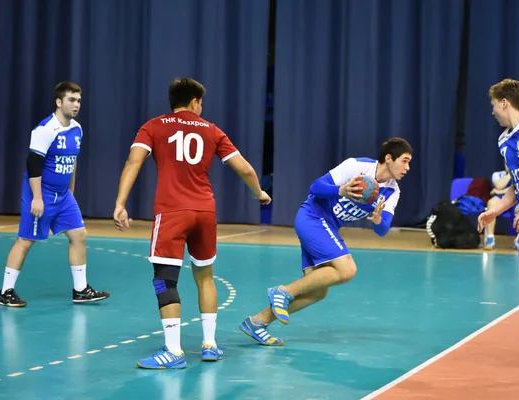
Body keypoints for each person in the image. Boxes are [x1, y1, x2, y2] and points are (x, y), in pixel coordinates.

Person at [113, 77, 271, 369]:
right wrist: (259, 193)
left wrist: (120, 204)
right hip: (205, 212)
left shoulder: (153, 126)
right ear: (195, 102)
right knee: (205, 276)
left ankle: (173, 351)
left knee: (165, 279)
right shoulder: (212, 130)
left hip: (172, 212)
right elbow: (246, 169)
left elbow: (133, 162)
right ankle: (209, 345)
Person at [240, 138, 413, 346]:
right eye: (404, 161)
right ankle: (282, 292)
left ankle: (257, 322)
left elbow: (383, 229)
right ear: (388, 158)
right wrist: (341, 190)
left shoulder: (393, 191)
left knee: (317, 292)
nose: (407, 167)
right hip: (312, 216)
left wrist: (377, 220)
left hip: (327, 227)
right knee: (347, 269)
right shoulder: (356, 166)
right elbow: (315, 187)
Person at [0, 82, 110, 307]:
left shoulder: (77, 129)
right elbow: (33, 165)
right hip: (42, 193)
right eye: (71, 100)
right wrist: (37, 198)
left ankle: (80, 290)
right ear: (59, 102)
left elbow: (72, 161)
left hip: (63, 195)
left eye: (78, 100)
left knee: (79, 235)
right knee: (26, 240)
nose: (76, 104)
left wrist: (71, 191)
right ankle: (6, 292)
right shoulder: (45, 130)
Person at [478, 78, 519, 306]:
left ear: (504, 103)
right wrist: (497, 210)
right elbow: (517, 183)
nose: (492, 111)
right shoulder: (504, 140)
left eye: (493, 104)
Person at [483, 165, 519, 250]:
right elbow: (499, 185)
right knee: (491, 203)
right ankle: (490, 238)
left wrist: (499, 191)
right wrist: (511, 173)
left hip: (517, 198)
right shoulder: (497, 174)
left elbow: (518, 188)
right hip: (502, 199)